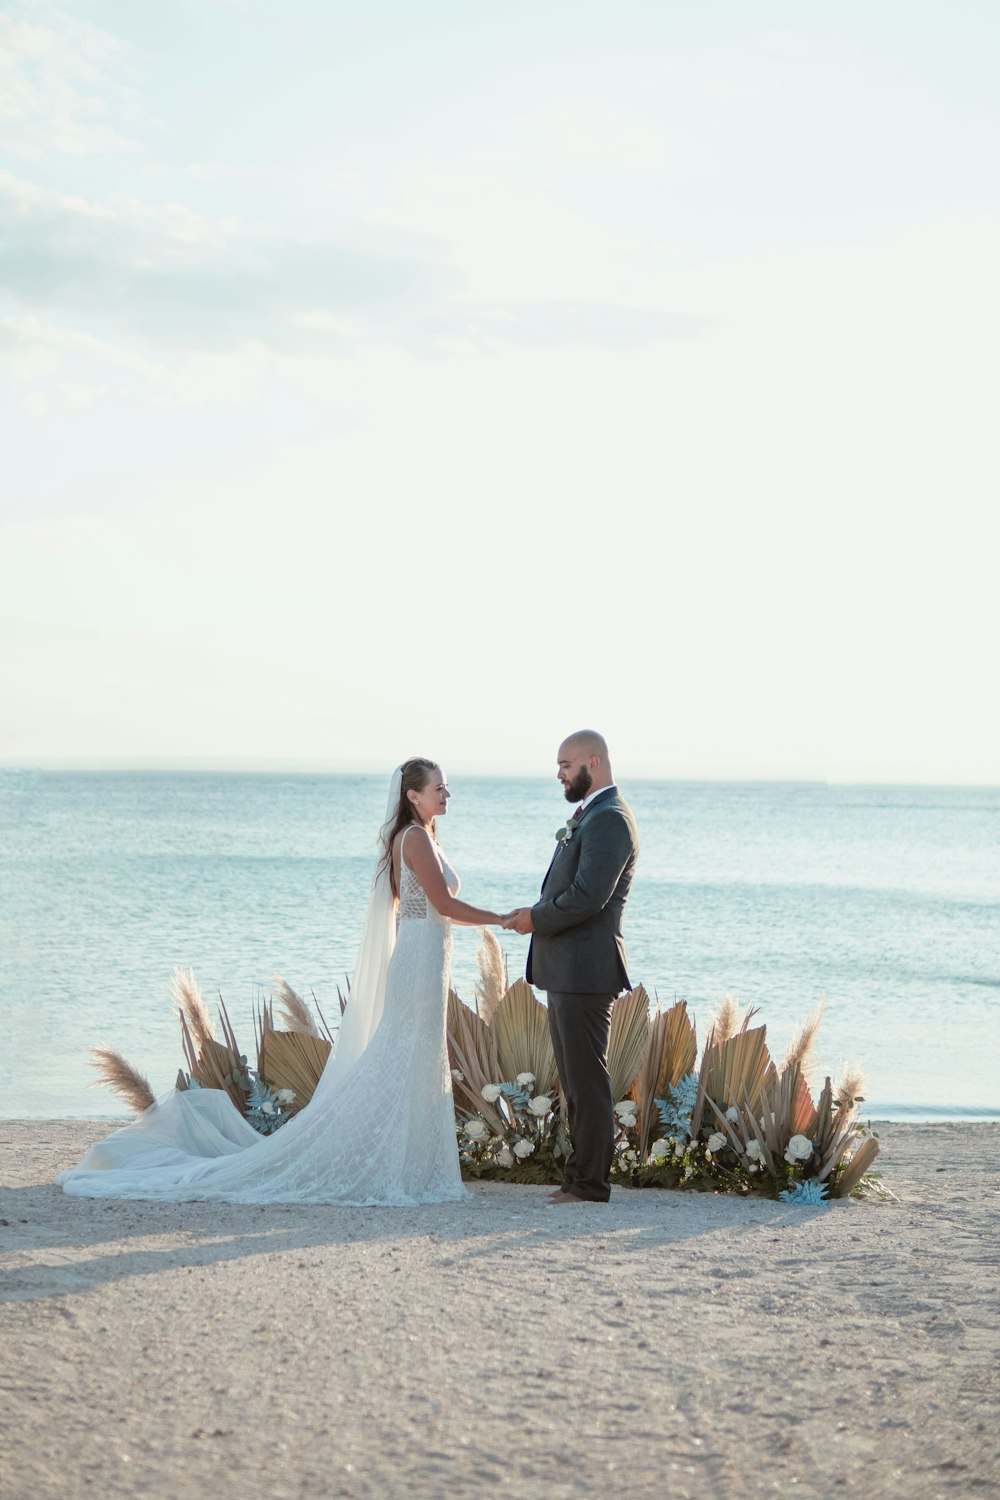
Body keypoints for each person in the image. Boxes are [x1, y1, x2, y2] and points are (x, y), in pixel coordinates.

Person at [57, 759, 507, 1205]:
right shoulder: (414, 838)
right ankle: (379, 1157)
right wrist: (503, 918)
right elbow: (444, 906)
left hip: (425, 955)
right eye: (439, 788)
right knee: (403, 1053)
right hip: (419, 956)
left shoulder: (418, 836)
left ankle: (406, 1161)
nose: (447, 795)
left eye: (447, 788)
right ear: (413, 795)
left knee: (413, 1054)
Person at [503, 731, 639, 1206]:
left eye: (566, 764)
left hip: (585, 969)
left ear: (594, 763)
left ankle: (590, 1184)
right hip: (567, 968)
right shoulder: (593, 814)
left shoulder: (610, 820)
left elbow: (588, 897)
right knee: (575, 1080)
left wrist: (534, 919)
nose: (559, 773)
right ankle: (578, 1176)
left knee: (587, 1080)